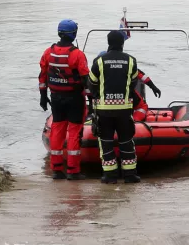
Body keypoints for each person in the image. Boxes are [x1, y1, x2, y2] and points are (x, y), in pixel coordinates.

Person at [88, 30, 143, 184]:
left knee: (105, 143)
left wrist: (99, 96)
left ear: (108, 43)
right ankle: (130, 175)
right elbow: (133, 83)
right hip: (125, 110)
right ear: (122, 43)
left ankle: (110, 176)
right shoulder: (131, 60)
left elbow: (91, 82)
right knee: (127, 142)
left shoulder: (99, 61)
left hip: (104, 111)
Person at [39, 19, 90, 180]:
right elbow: (85, 80)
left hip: (55, 97)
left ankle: (56, 169)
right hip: (75, 98)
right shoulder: (77, 55)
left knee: (57, 130)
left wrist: (42, 96)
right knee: (74, 132)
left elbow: (42, 76)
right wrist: (92, 99)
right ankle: (73, 170)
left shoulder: (48, 52)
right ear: (74, 34)